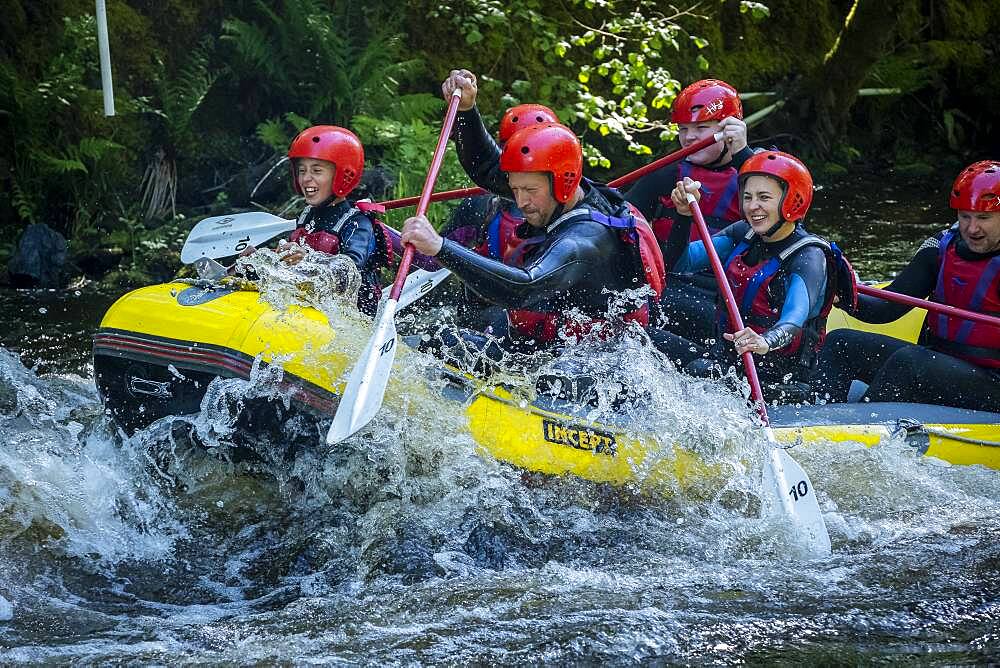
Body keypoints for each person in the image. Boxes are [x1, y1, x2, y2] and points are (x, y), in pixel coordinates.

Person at [399, 69, 664, 366]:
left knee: (555, 374)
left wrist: (439, 247)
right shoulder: (551, 188)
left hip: (596, 365)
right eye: (514, 189)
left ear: (562, 181)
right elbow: (486, 167)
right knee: (443, 341)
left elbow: (523, 287)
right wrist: (466, 111)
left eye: (528, 191)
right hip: (545, 346)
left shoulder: (584, 240)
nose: (521, 201)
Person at [650, 151, 853, 401]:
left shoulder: (809, 257)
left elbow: (794, 319)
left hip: (781, 382)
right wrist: (684, 216)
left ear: (792, 201)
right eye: (747, 197)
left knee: (701, 372)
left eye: (764, 197)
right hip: (730, 362)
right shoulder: (742, 234)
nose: (752, 206)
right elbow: (680, 263)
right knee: (645, 339)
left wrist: (764, 342)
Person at [810, 160, 1000, 411]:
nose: (972, 228)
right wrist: (841, 295)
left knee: (909, 363)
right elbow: (887, 307)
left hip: (991, 385)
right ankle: (811, 421)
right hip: (938, 364)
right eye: (965, 216)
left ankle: (858, 436)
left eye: (984, 218)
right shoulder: (940, 249)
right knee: (840, 344)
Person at [625, 79, 754, 341]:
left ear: (731, 128)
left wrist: (743, 154)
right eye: (683, 129)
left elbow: (789, 227)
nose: (689, 138)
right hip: (670, 283)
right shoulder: (667, 173)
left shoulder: (757, 171)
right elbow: (618, 215)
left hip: (725, 296)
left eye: (701, 128)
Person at [241, 125, 392, 315]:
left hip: (353, 319)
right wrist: (259, 264)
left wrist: (310, 260)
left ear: (342, 175)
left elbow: (349, 271)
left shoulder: (357, 223)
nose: (306, 179)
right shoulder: (306, 216)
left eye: (317, 171)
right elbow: (288, 270)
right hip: (310, 310)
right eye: (302, 171)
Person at [437, 104, 561, 334]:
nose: (524, 202)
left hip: (521, 330)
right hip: (496, 327)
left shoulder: (578, 225)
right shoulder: (481, 206)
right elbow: (429, 258)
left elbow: (427, 259)